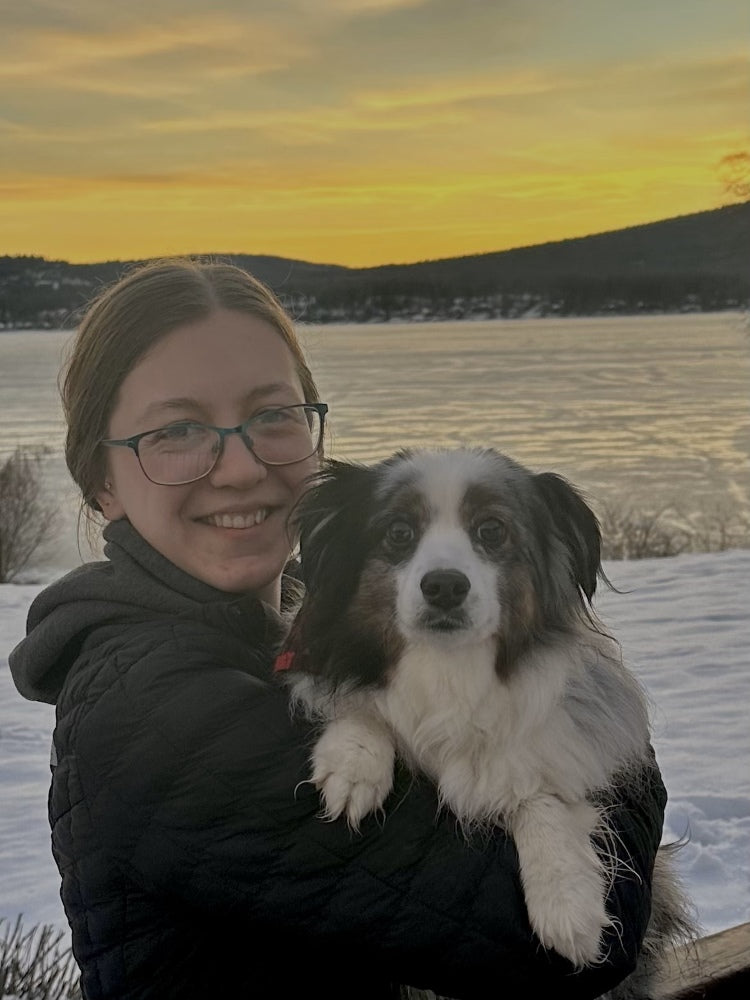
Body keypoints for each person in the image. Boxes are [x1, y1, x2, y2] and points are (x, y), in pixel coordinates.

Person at [9, 258, 668, 1000]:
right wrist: (599, 723)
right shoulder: (152, 713)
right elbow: (571, 943)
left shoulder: (298, 616)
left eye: (273, 415)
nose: (239, 468)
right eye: (178, 429)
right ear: (101, 480)